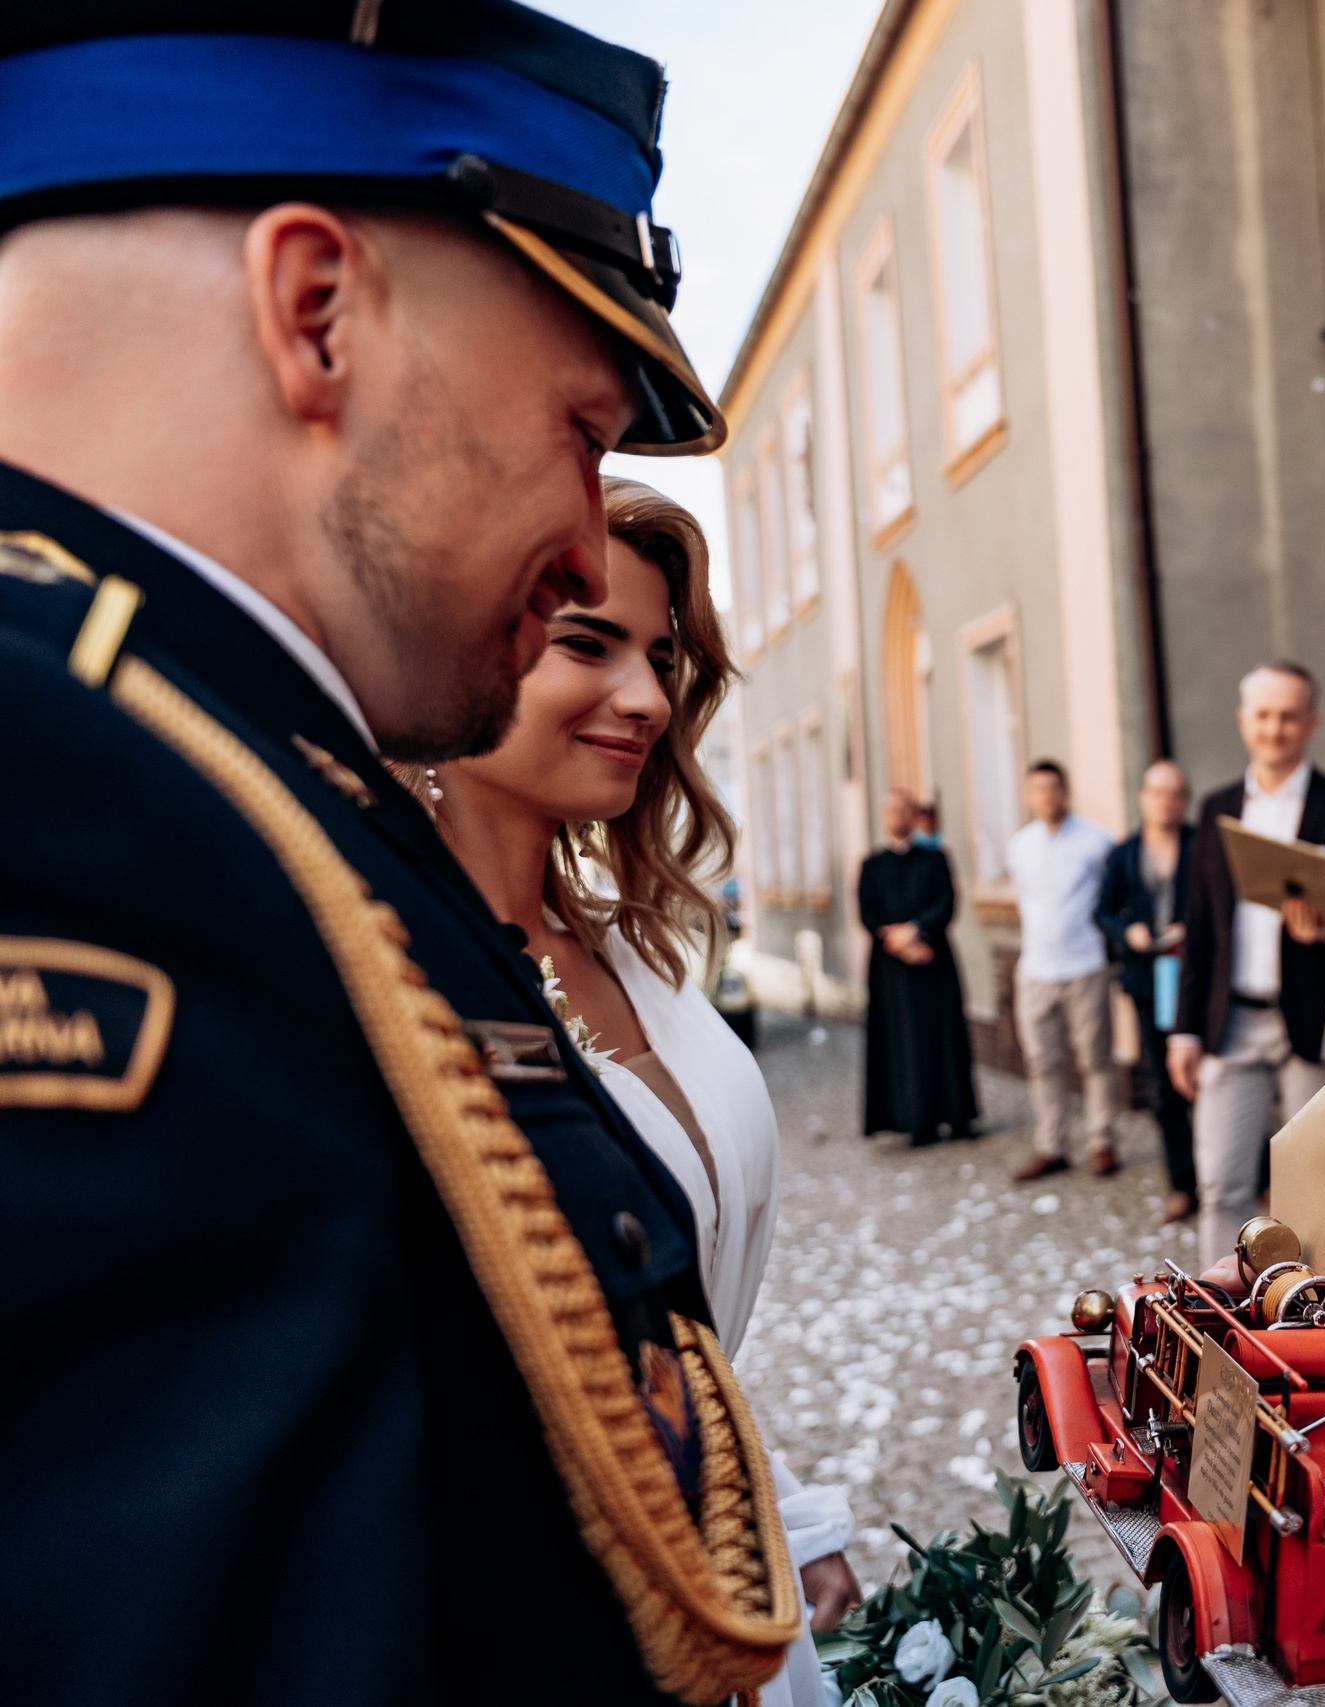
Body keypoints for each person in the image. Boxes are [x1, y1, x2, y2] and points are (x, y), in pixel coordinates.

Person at [0, 11, 803, 1703]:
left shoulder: (243, 769)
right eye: (582, 427)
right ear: (318, 314)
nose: (592, 536)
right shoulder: (75, 808)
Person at [416, 477, 859, 1707]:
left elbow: (673, 1322)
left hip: (733, 1597)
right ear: (461, 642)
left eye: (661, 656)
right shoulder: (397, 984)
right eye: (585, 643)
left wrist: (783, 1516)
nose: (648, 698)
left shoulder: (637, 951)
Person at [1168, 662, 1325, 1269]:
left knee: (1311, 1186)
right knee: (1221, 1185)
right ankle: (1218, 1310)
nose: (1275, 728)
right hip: (1229, 1018)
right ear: (1244, 722)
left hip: (1312, 1020)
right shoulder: (1215, 808)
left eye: (1289, 716)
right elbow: (1202, 926)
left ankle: (1307, 1308)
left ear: (1310, 723)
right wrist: (1184, 1030)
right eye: (1263, 715)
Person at [1005, 760, 1121, 1182]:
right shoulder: (1020, 845)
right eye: (1038, 789)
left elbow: (1111, 898)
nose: (1047, 797)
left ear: (1065, 790)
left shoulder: (1096, 840)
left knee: (1095, 1059)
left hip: (1086, 965)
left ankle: (1102, 1140)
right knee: (1042, 1061)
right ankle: (1051, 1145)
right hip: (1036, 968)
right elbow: (1024, 899)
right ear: (1028, 796)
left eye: (1053, 788)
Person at [1097, 759, 1198, 1224]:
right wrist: (1128, 932)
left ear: (1185, 799)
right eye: (1158, 792)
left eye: (1175, 793)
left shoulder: (1200, 845)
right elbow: (1102, 912)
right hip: (1146, 979)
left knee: (1210, 1077)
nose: (1166, 801)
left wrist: (1191, 928)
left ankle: (1246, 1174)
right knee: (1164, 1086)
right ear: (1143, 797)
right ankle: (1182, 1185)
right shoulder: (1124, 853)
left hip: (1195, 973)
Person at [859, 790, 978, 1143]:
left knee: (944, 1036)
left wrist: (916, 930)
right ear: (885, 816)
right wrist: (901, 944)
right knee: (904, 1042)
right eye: (892, 809)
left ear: (914, 816)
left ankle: (957, 1116)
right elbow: (868, 913)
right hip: (892, 970)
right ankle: (916, 1120)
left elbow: (946, 903)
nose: (898, 815)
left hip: (934, 961)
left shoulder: (935, 858)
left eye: (904, 809)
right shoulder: (871, 865)